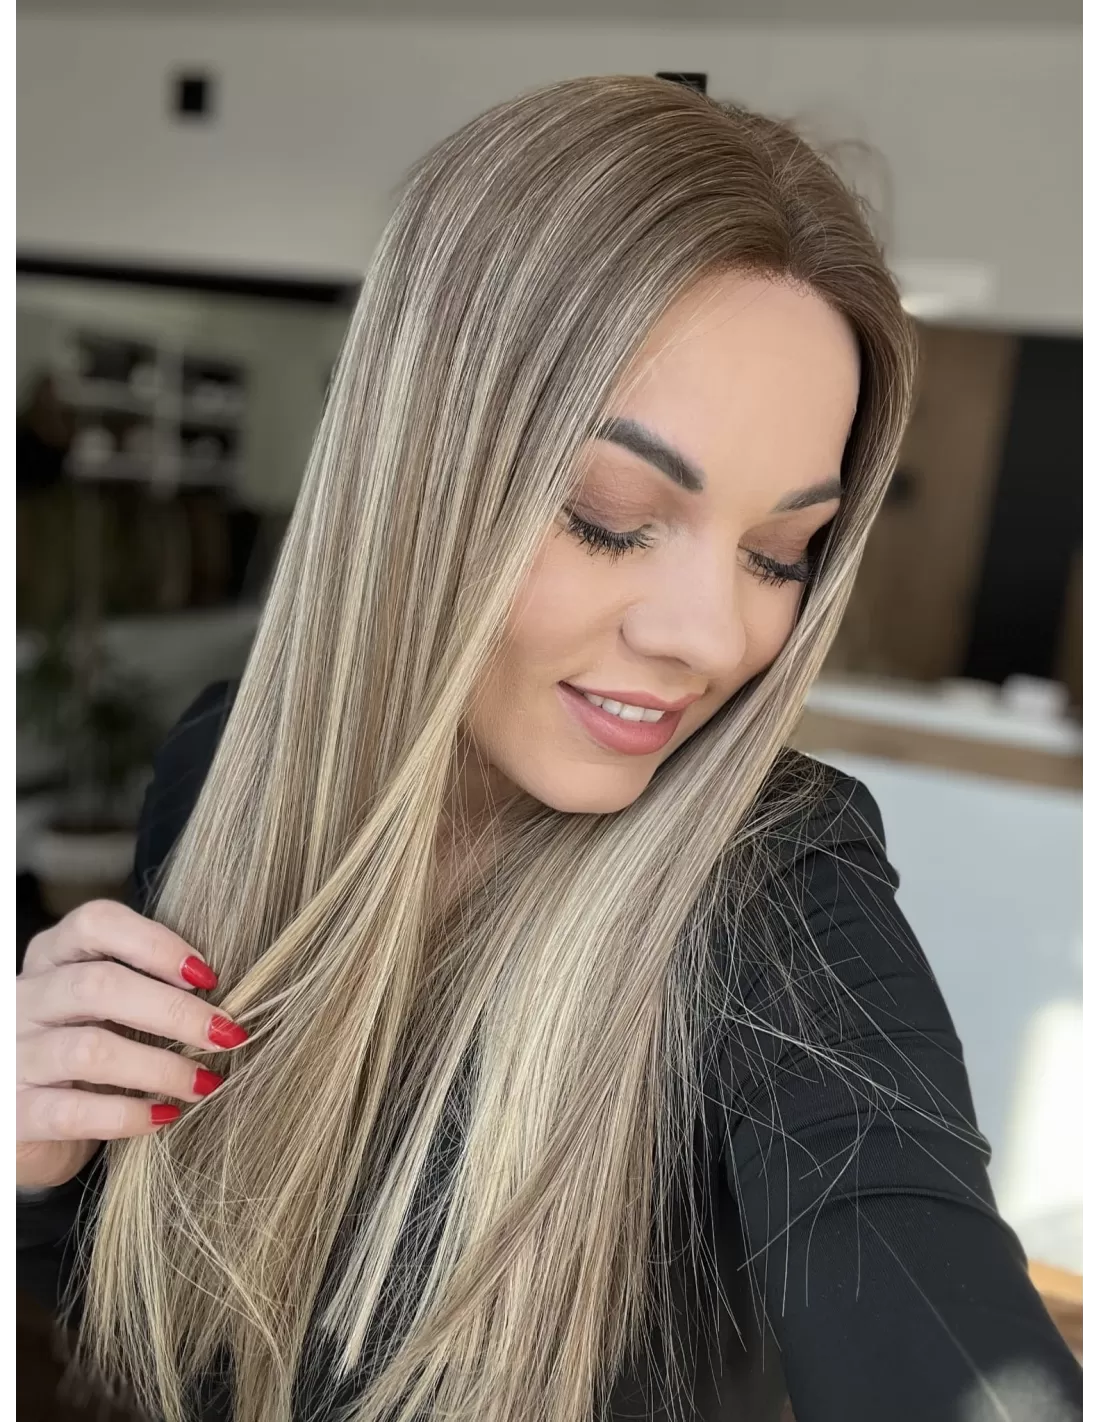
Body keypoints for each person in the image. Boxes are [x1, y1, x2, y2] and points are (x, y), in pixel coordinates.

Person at [16, 76, 1083, 1422]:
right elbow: (151, 1322)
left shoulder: (776, 885)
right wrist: (39, 1161)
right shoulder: (219, 772)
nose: (712, 636)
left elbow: (933, 1302)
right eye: (608, 515)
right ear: (416, 472)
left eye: (780, 552)